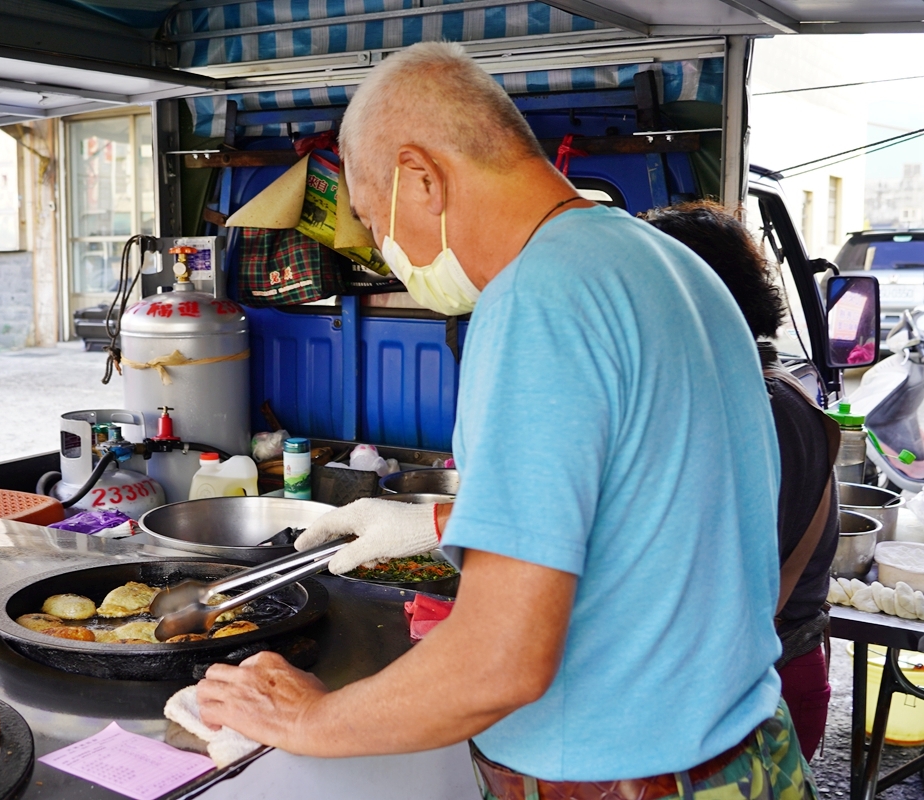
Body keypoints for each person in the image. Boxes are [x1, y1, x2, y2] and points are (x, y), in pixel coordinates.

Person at [195, 41, 816, 797]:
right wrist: (434, 527)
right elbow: (651, 507)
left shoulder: (535, 300)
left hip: (625, 781)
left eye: (371, 219)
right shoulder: (670, 264)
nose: (390, 257)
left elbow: (501, 663)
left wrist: (308, 720)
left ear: (420, 178)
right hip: (749, 756)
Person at [641, 201, 839, 761]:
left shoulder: (737, 413)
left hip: (744, 695)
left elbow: (705, 590)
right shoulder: (785, 396)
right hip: (785, 679)